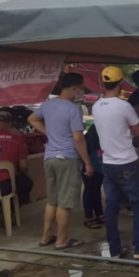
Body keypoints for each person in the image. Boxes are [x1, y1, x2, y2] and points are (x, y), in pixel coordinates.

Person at [28, 73, 93, 251]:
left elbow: (31, 119)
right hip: (68, 158)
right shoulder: (73, 109)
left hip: (50, 158)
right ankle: (62, 240)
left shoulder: (48, 105)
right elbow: (78, 138)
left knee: (52, 200)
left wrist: (49, 132)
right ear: (74, 88)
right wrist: (87, 162)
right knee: (65, 202)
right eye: (82, 88)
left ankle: (46, 236)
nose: (82, 92)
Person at [92, 66, 139, 260]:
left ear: (103, 83)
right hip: (127, 162)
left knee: (111, 206)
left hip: (107, 163)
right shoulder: (124, 106)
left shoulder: (96, 106)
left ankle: (115, 250)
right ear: (119, 83)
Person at [0, 111, 33, 204]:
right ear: (10, 125)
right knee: (26, 182)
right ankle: (12, 211)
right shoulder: (17, 139)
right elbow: (23, 166)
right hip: (5, 186)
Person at [82, 124, 104, 229]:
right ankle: (89, 216)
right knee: (90, 189)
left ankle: (99, 213)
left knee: (95, 188)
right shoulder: (95, 131)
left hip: (96, 161)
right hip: (90, 162)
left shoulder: (95, 129)